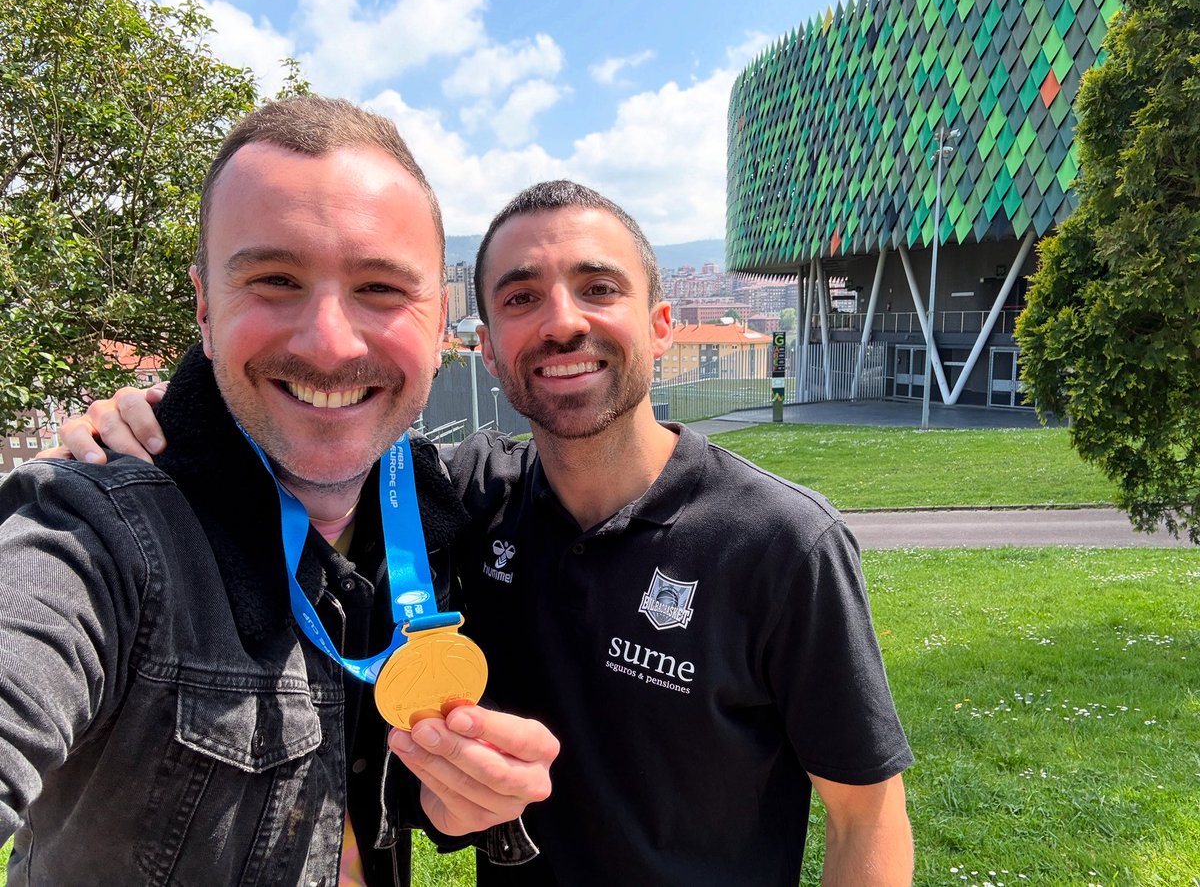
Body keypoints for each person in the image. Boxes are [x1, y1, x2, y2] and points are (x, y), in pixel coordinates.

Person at [58, 181, 915, 885]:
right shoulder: (469, 501)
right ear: (490, 351)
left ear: (659, 323)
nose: (563, 320)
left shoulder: (781, 542)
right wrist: (159, 426)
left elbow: (866, 816)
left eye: (600, 287)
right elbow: (309, 449)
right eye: (520, 298)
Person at [1, 96, 557, 887]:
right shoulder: (94, 530)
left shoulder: (435, 511)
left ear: (440, 325)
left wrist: (457, 798)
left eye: (380, 289)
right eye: (274, 279)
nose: (328, 341)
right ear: (203, 306)